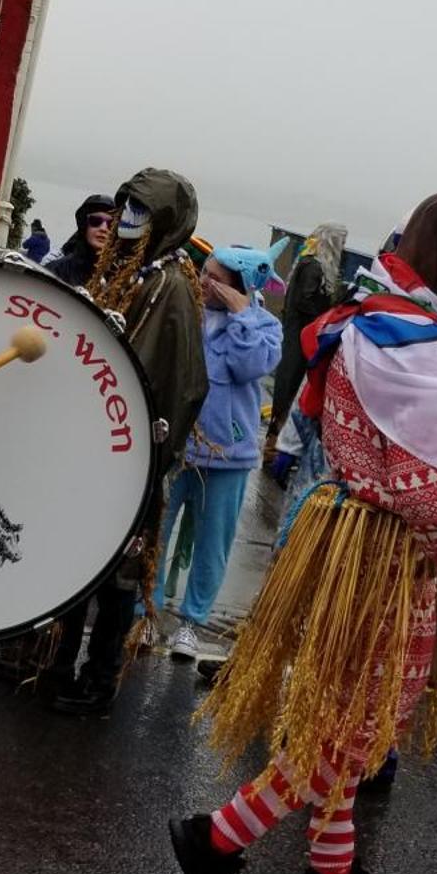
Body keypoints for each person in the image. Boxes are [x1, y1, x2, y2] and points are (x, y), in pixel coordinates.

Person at [171, 192, 437, 874]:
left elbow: (375, 435)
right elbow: (424, 497)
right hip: (381, 552)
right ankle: (216, 838)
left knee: (349, 712)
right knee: (356, 725)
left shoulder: (380, 313)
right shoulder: (412, 338)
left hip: (350, 529)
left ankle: (331, 870)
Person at [47, 169, 207, 716]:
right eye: (125, 208)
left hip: (130, 455)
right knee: (79, 559)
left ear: (166, 221)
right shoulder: (130, 272)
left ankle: (98, 679)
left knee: (118, 573)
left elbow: (173, 383)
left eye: (143, 211)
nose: (128, 220)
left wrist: (145, 455)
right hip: (96, 449)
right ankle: (60, 662)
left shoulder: (172, 287)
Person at [154, 243, 283, 659]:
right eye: (202, 271)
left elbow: (252, 366)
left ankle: (191, 623)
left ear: (239, 288)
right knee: (154, 531)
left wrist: (243, 314)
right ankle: (145, 612)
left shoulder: (263, 325)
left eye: (215, 279)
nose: (203, 282)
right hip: (175, 445)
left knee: (213, 544)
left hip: (229, 453)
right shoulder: (184, 310)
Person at [263, 222, 345, 467]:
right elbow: (305, 300)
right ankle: (274, 445)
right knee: (289, 386)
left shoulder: (305, 261)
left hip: (294, 332)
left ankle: (273, 443)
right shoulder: (314, 267)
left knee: (286, 385)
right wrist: (325, 316)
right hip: (301, 335)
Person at [46, 193, 113, 287]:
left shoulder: (117, 278)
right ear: (84, 226)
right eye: (96, 221)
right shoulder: (57, 270)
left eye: (111, 224)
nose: (103, 228)